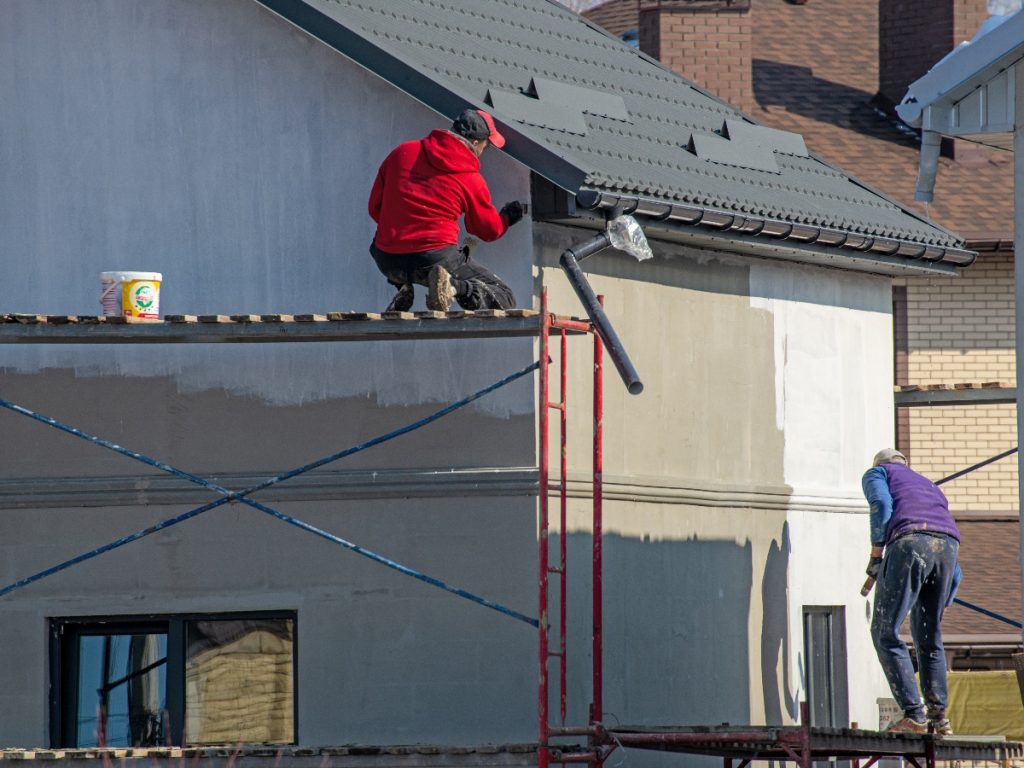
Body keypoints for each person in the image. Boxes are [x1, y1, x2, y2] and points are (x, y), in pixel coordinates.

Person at [368, 108, 524, 312]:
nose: (483, 153)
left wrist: (402, 232)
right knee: (505, 296)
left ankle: (404, 286)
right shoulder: (470, 177)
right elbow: (486, 230)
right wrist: (506, 218)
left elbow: (375, 208)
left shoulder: (401, 153)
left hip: (388, 260)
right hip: (434, 258)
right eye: (486, 147)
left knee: (380, 242)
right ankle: (453, 287)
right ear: (475, 143)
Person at [862, 448, 961, 736]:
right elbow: (954, 566)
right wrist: (944, 598)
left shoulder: (878, 473)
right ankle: (939, 719)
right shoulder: (929, 486)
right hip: (948, 549)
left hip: (909, 542)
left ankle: (913, 715)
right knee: (930, 637)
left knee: (884, 631)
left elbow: (880, 503)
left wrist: (876, 551)